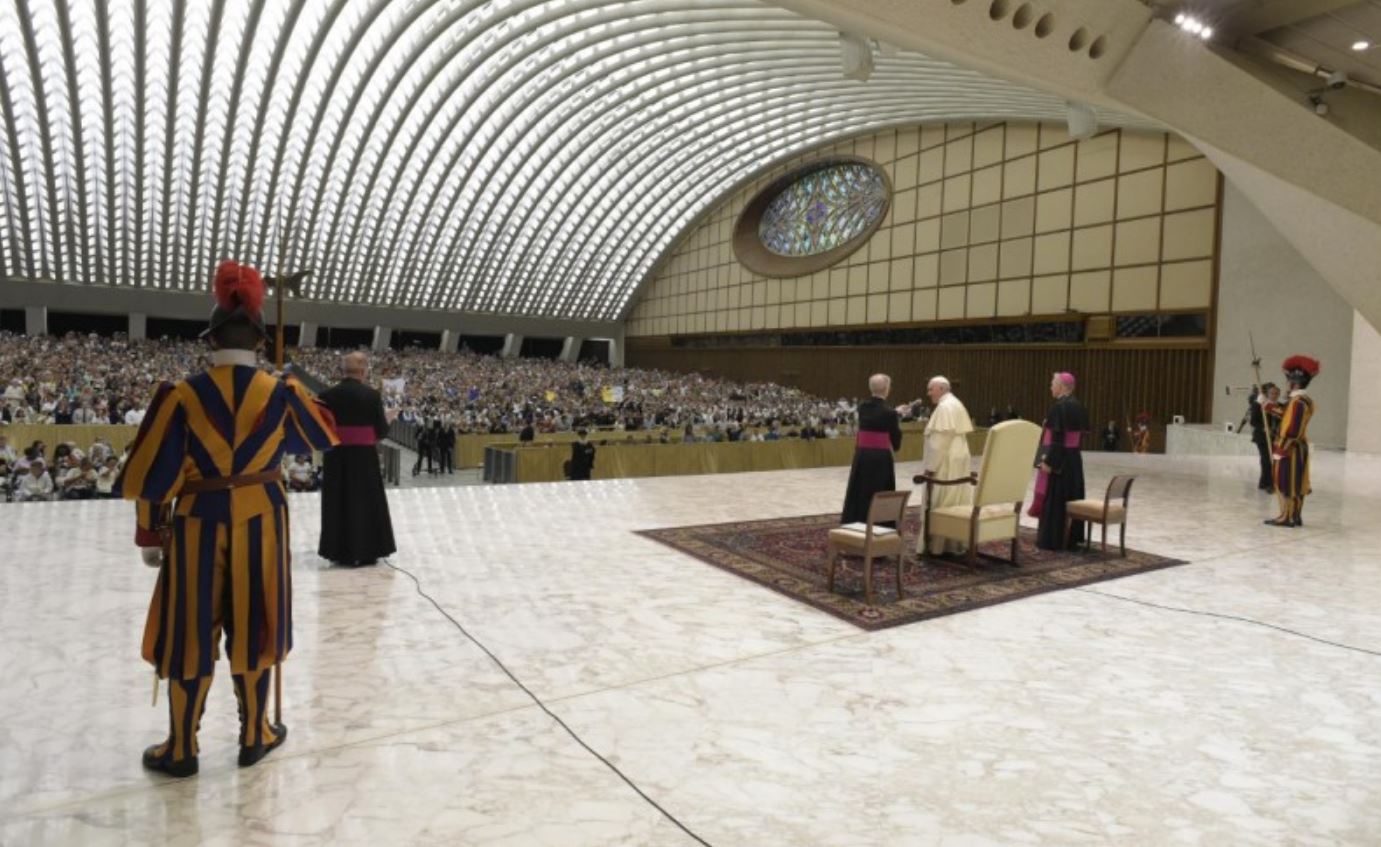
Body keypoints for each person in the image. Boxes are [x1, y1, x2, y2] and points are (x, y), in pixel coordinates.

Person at [116, 260, 339, 778]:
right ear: (260, 341)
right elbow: (325, 433)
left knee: (189, 631)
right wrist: (290, 381)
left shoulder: (180, 395)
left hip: (197, 521)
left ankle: (181, 747)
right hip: (262, 520)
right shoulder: (281, 392)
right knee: (256, 626)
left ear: (211, 339)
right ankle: (255, 734)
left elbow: (155, 475)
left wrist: (151, 531)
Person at [317, 351, 397, 566]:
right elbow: (380, 431)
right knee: (365, 502)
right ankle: (368, 550)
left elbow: (321, 429)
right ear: (363, 371)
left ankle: (337, 550)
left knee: (338, 501)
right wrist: (388, 419)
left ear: (343, 371)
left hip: (336, 457)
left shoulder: (326, 395)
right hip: (364, 458)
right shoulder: (372, 395)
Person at [1029, 372, 1089, 551]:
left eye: (1052, 384)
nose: (1050, 387)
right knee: (1072, 497)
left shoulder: (1060, 407)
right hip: (1074, 460)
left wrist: (1049, 462)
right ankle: (1071, 539)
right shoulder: (1079, 406)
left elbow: (1057, 439)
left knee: (1056, 500)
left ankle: (1053, 540)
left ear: (1062, 386)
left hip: (1059, 462)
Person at [919, 376, 974, 555]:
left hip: (947, 457)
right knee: (955, 496)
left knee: (942, 497)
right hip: (959, 454)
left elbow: (939, 441)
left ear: (941, 389)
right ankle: (953, 542)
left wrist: (930, 467)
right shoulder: (956, 403)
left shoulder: (944, 407)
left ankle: (938, 545)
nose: (929, 393)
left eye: (931, 389)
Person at [840, 374, 902, 525]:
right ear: (886, 389)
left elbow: (877, 414)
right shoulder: (890, 413)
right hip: (880, 459)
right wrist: (896, 416)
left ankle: (856, 521)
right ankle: (879, 525)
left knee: (860, 490)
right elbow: (896, 443)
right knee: (879, 491)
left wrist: (894, 413)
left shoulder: (862, 407)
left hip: (862, 456)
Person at [1266, 356, 1320, 528]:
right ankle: (1295, 516)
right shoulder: (1301, 400)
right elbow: (1285, 414)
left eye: (1289, 381)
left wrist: (1282, 448)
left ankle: (1287, 517)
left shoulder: (1298, 402)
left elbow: (1292, 429)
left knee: (1287, 482)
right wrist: (1268, 405)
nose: (1287, 384)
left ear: (1295, 384)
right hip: (1297, 447)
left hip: (1290, 448)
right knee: (1296, 483)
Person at [1249, 383, 1281, 492]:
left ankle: (1263, 483)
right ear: (1267, 394)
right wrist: (1264, 428)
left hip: (1275, 438)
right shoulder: (1259, 405)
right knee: (1267, 459)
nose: (1274, 395)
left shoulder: (1280, 406)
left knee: (1272, 460)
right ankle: (1269, 484)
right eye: (1272, 393)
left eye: (1276, 393)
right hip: (1262, 437)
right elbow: (1253, 421)